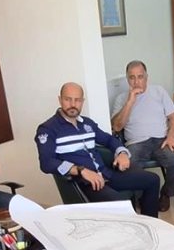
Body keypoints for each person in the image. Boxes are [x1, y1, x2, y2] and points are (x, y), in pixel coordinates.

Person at [36, 82, 160, 218]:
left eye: (77, 100)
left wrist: (122, 153)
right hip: (84, 183)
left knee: (152, 180)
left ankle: (150, 224)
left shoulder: (87, 123)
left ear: (82, 101)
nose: (73, 104)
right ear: (60, 100)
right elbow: (46, 163)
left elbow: (109, 139)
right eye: (68, 99)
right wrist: (81, 170)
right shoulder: (48, 129)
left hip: (106, 174)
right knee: (121, 206)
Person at [111, 60, 174, 212]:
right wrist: (130, 101)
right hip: (135, 143)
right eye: (132, 77)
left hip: (161, 140)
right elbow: (117, 127)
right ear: (127, 79)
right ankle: (142, 198)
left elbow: (173, 117)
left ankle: (166, 194)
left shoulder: (159, 91)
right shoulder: (121, 98)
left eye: (140, 76)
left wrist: (171, 136)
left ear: (146, 77)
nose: (136, 81)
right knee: (129, 167)